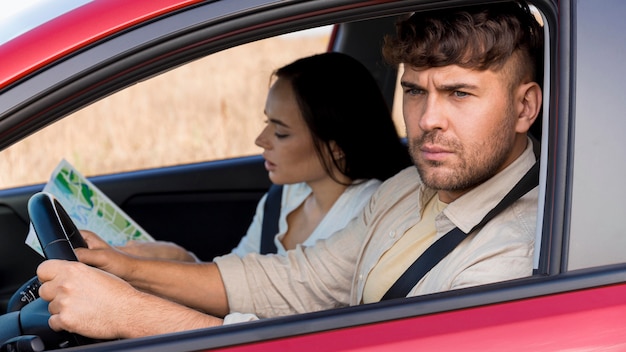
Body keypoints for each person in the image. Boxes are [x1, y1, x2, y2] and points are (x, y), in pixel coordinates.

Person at [37, 1, 544, 339]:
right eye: (414, 91)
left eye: (460, 93)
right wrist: (126, 269)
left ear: (525, 108)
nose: (428, 119)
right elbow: (299, 281)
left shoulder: (515, 254)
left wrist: (132, 315)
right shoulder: (408, 188)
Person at [117, 52, 412, 262]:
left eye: (281, 132)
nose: (261, 140)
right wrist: (184, 261)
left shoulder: (369, 212)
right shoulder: (283, 197)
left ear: (336, 145)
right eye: (266, 122)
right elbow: (237, 281)